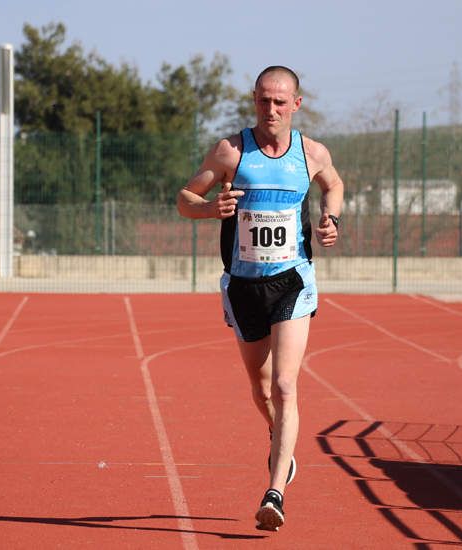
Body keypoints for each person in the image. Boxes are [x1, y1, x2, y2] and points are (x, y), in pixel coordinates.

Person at [176, 65, 344, 532]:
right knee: (262, 386)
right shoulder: (232, 150)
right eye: (262, 100)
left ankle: (275, 493)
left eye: (279, 101)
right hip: (244, 286)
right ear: (254, 100)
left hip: (293, 280)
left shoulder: (311, 152)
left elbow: (334, 184)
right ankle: (279, 438)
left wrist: (331, 219)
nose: (270, 109)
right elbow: (185, 196)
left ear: (296, 104)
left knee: (287, 385)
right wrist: (208, 209)